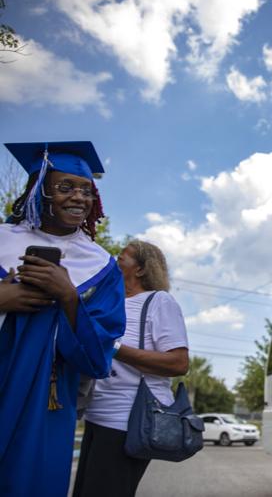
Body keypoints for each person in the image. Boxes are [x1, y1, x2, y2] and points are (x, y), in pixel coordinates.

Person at [0, 141, 126, 497]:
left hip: (47, 396)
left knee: (30, 480)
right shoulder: (2, 240)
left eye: (87, 191)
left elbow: (100, 351)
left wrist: (69, 297)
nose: (78, 198)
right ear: (41, 192)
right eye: (65, 187)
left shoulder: (101, 266)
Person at [72, 239, 189, 497]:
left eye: (122, 256)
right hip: (96, 416)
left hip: (127, 421)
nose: (115, 259)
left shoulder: (159, 302)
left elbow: (179, 363)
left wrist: (113, 348)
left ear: (140, 269)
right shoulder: (110, 302)